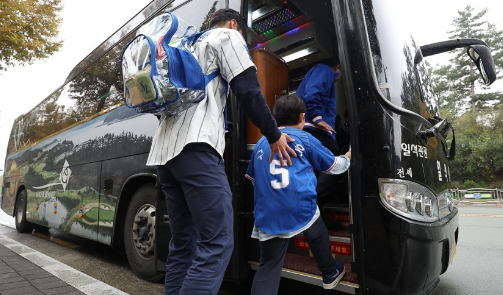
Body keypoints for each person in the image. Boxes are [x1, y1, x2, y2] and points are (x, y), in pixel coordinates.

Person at [146, 9, 296, 295]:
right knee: (217, 242)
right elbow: (249, 90)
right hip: (197, 148)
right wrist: (274, 135)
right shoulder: (227, 36)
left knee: (183, 244)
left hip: (165, 155)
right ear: (233, 23)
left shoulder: (186, 45)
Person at [245, 94, 352, 295]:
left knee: (268, 265)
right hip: (298, 205)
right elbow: (332, 167)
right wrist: (347, 157)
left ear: (274, 118)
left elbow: (251, 178)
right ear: (303, 117)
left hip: (267, 211)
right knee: (314, 224)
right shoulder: (305, 139)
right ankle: (329, 272)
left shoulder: (261, 143)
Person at [296, 58, 342, 156]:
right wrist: (317, 117)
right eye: (341, 75)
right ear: (338, 67)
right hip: (314, 128)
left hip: (313, 127)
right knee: (335, 153)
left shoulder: (323, 72)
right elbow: (312, 93)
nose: (339, 79)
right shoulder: (325, 69)